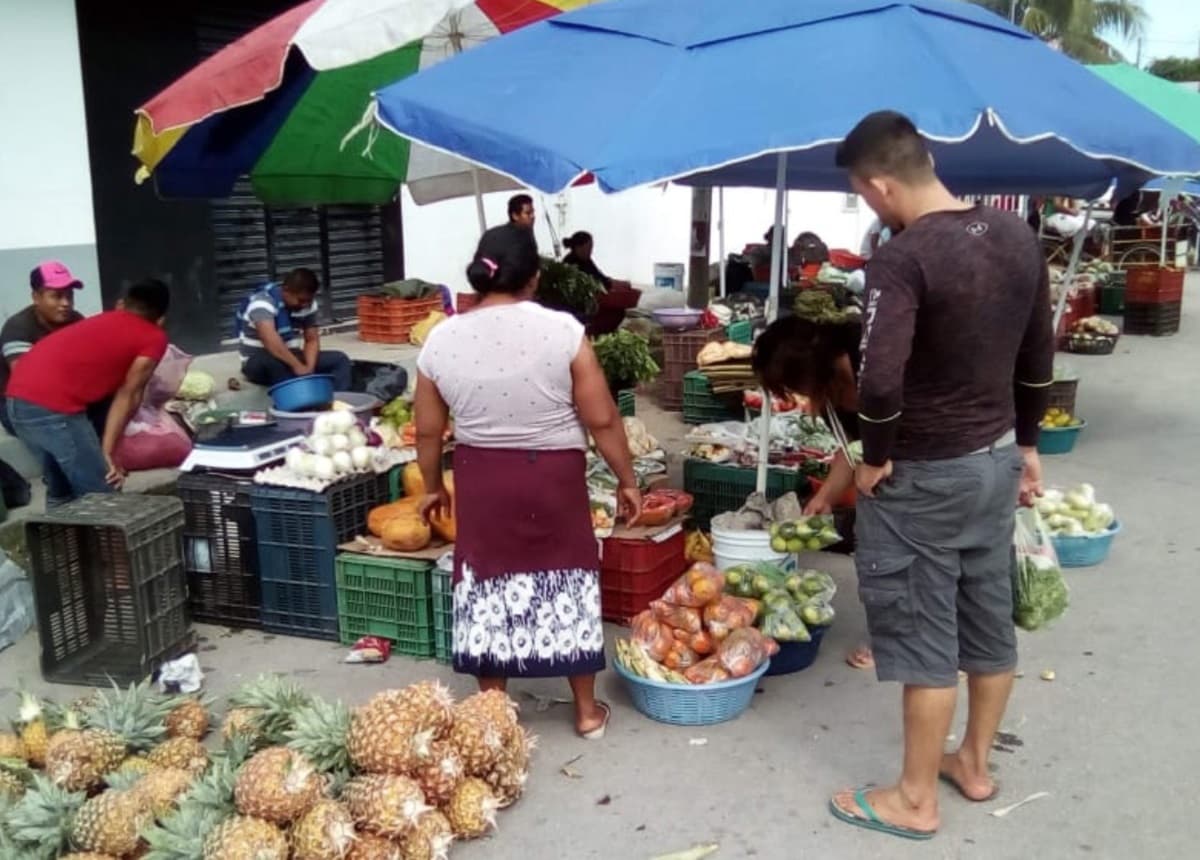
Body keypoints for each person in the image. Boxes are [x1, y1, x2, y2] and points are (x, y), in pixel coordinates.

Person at [827, 111, 1054, 840]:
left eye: (864, 194)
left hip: (923, 475)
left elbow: (880, 379)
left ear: (880, 183)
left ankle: (914, 798)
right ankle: (975, 765)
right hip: (993, 461)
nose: (870, 205)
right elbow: (1038, 354)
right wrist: (1027, 443)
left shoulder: (902, 258)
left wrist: (874, 455)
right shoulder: (1017, 236)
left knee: (926, 637)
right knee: (986, 621)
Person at [414, 223, 642, 739]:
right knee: (568, 575)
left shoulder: (440, 340)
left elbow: (428, 429)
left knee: (487, 579)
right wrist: (627, 479)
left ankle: (495, 710)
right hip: (554, 478)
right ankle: (585, 711)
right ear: (534, 279)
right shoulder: (563, 331)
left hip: (481, 477)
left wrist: (432, 486)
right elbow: (602, 418)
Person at [751, 316, 875, 670]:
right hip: (878, 485)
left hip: (923, 472)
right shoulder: (831, 392)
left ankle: (937, 645)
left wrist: (884, 458)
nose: (800, 396)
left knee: (921, 561)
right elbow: (850, 450)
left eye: (794, 385)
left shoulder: (872, 364)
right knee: (877, 557)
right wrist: (824, 498)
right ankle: (893, 634)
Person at [6, 279, 173, 504]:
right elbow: (129, 395)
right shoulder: (153, 336)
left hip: (16, 402)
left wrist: (105, 451)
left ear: (122, 304)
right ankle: (109, 537)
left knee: (61, 489)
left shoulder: (99, 320)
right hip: (54, 407)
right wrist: (108, 453)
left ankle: (59, 537)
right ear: (161, 319)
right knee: (102, 491)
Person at [0, 262, 86, 436]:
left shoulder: (76, 320)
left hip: (66, 398)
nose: (66, 303)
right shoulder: (19, 327)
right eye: (57, 296)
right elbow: (28, 385)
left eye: (70, 296)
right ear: (36, 297)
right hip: (21, 407)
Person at [235, 267, 352, 391]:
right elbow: (270, 341)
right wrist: (297, 366)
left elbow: (311, 340)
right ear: (286, 290)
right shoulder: (262, 303)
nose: (305, 305)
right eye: (301, 300)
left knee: (340, 359)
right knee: (275, 363)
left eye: (309, 300)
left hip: (291, 356)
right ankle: (296, 402)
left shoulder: (308, 306)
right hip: (258, 361)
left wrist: (309, 368)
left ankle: (339, 403)